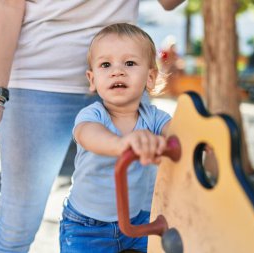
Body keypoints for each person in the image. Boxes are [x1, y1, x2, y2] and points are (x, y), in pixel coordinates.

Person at [0, 1, 185, 252]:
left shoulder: (149, 113)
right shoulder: (93, 115)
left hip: (129, 68)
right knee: (14, 230)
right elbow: (6, 3)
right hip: (39, 78)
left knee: (151, 217)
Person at [59, 23, 171, 253]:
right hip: (86, 226)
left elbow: (179, 134)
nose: (117, 71)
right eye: (105, 64)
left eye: (129, 63)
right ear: (92, 79)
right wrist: (121, 143)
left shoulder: (155, 118)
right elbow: (88, 134)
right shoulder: (93, 115)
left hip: (137, 219)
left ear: (150, 77)